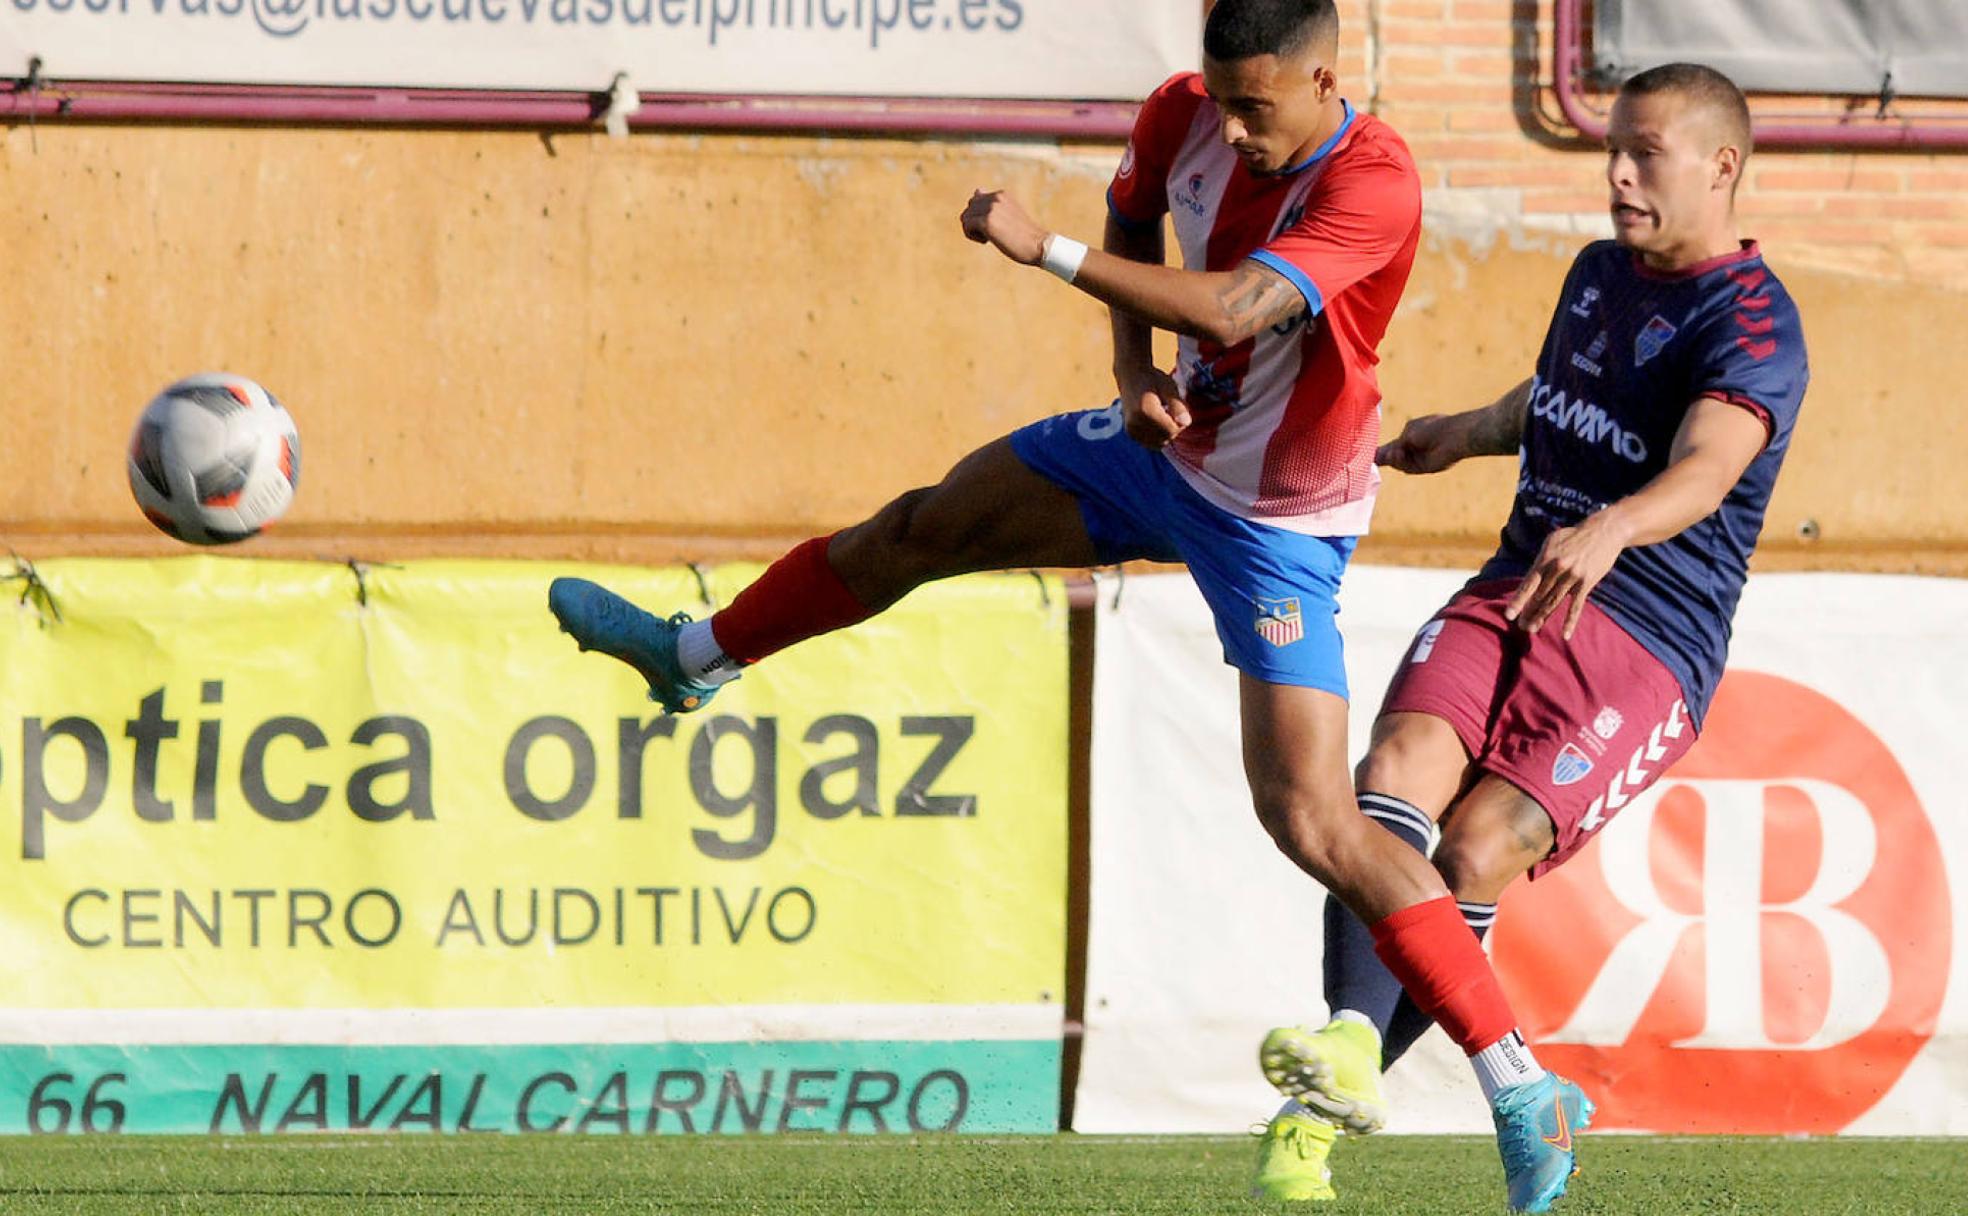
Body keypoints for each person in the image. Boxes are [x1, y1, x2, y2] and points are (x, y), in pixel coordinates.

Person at [550, 1, 1584, 1207]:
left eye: (1260, 108)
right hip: (1162, 450)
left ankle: (1520, 1085)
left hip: (1277, 525)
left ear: (1321, 77)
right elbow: (1136, 214)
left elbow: (1240, 308)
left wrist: (1039, 250)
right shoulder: (1185, 116)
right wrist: (1128, 371)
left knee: (1315, 822)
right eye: (1222, 101)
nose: (1236, 131)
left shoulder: (1376, 181)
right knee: (921, 526)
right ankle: (696, 654)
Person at [1251, 62, 1808, 1209]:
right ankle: (1385, 1059)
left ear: (1721, 166)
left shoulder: (1753, 319)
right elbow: (1555, 395)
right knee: (1388, 777)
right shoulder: (1599, 271)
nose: (1615, 172)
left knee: (1473, 854)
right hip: (1519, 580)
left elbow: (1708, 466)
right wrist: (1467, 429)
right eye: (1611, 147)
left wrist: (1613, 526)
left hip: (1643, 641)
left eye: (1644, 153)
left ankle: (1337, 1099)